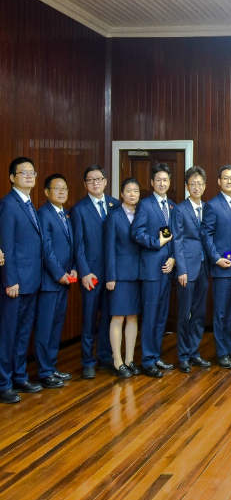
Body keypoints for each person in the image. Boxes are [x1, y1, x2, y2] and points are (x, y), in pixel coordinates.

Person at [0, 157, 43, 403]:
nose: (29, 176)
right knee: (9, 334)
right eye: (23, 172)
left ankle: (19, 376)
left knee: (23, 333)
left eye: (32, 172)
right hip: (15, 283)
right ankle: (3, 383)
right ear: (12, 178)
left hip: (31, 281)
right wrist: (10, 280)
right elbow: (6, 245)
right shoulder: (8, 204)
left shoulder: (28, 203)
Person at [71, 164, 118, 379]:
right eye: (90, 180)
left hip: (111, 273)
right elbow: (78, 245)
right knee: (89, 318)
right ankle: (88, 361)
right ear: (85, 184)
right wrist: (84, 272)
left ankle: (105, 357)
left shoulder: (115, 205)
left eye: (98, 179)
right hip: (91, 274)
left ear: (105, 181)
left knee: (108, 316)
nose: (95, 183)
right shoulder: (79, 209)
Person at [131, 163, 176, 378]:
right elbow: (136, 233)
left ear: (169, 182)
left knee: (161, 315)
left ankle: (156, 355)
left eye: (165, 180)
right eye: (158, 180)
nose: (162, 183)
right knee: (150, 316)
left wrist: (174, 259)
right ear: (152, 182)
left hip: (167, 268)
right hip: (150, 270)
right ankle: (147, 360)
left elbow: (176, 237)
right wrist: (155, 242)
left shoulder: (173, 206)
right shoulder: (145, 205)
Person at [202, 165, 231, 369]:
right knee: (220, 311)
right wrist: (216, 258)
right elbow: (206, 235)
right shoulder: (212, 205)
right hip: (222, 266)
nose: (229, 181)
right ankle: (221, 352)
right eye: (225, 178)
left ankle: (229, 348)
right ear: (219, 181)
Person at [35, 174, 77, 388]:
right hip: (50, 281)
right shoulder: (43, 214)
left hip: (64, 279)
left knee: (56, 326)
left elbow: (71, 246)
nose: (62, 192)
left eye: (64, 188)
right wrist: (59, 273)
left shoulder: (65, 214)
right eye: (57, 188)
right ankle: (44, 372)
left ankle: (51, 367)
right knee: (45, 328)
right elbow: (46, 249)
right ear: (46, 192)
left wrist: (73, 268)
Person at [173, 167, 212, 373]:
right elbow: (177, 241)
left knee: (199, 312)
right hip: (187, 269)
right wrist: (181, 269)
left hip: (204, 266)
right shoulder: (180, 209)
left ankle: (194, 352)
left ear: (204, 186)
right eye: (192, 184)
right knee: (184, 313)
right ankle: (183, 356)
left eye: (200, 184)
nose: (196, 187)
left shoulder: (208, 208)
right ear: (187, 187)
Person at [104, 177, 142, 378]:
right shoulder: (114, 216)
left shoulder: (141, 213)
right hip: (119, 275)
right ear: (121, 194)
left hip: (138, 273)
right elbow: (109, 248)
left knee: (133, 317)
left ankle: (129, 359)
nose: (132, 194)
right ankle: (117, 361)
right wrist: (110, 276)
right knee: (118, 317)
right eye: (128, 190)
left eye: (135, 191)